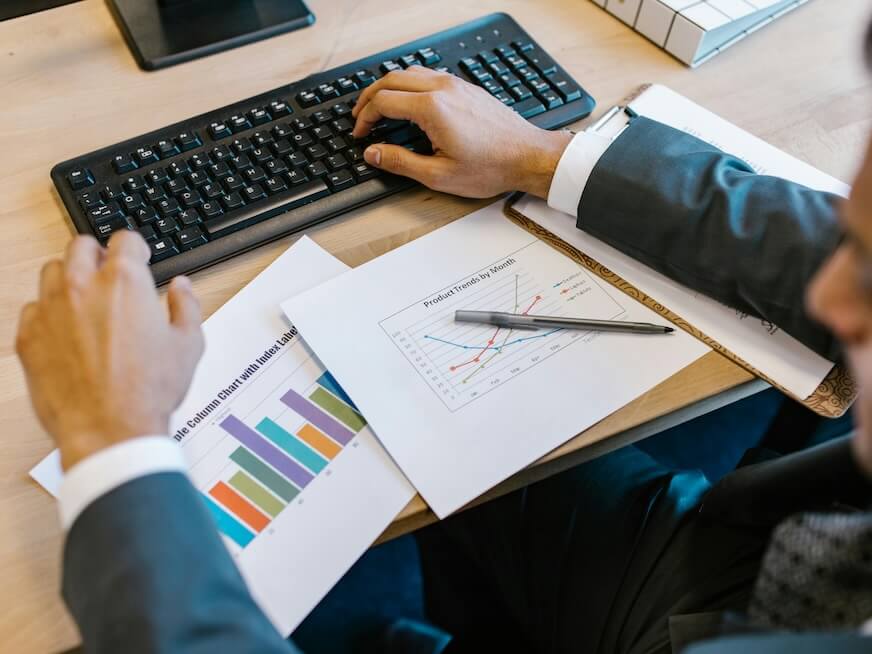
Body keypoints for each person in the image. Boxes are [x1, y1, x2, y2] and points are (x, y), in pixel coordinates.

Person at [16, 29, 872, 654]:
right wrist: (545, 160)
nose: (833, 300)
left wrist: (115, 443)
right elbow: (822, 249)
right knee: (421, 426)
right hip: (743, 569)